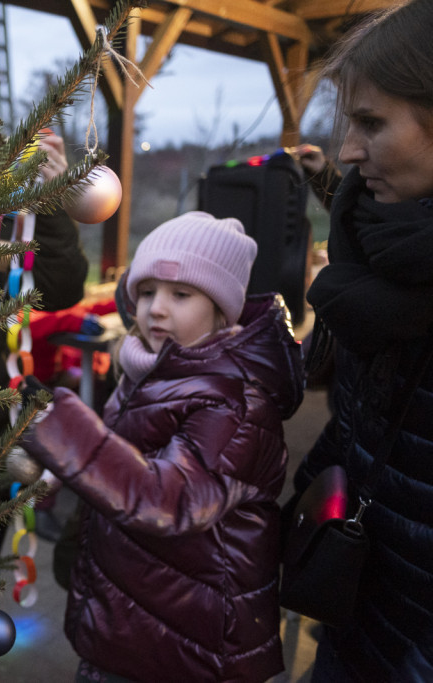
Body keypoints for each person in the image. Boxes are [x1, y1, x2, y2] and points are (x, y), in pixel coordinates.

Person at [21, 211, 305, 682]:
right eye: (146, 291)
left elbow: (166, 499)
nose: (155, 308)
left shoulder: (234, 401)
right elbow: (118, 459)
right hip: (139, 624)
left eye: (181, 294)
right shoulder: (153, 372)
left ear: (221, 309)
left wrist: (56, 420)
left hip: (193, 647)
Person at [289, 1, 433, 680]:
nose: (349, 150)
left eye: (372, 123)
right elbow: (355, 431)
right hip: (354, 628)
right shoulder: (369, 252)